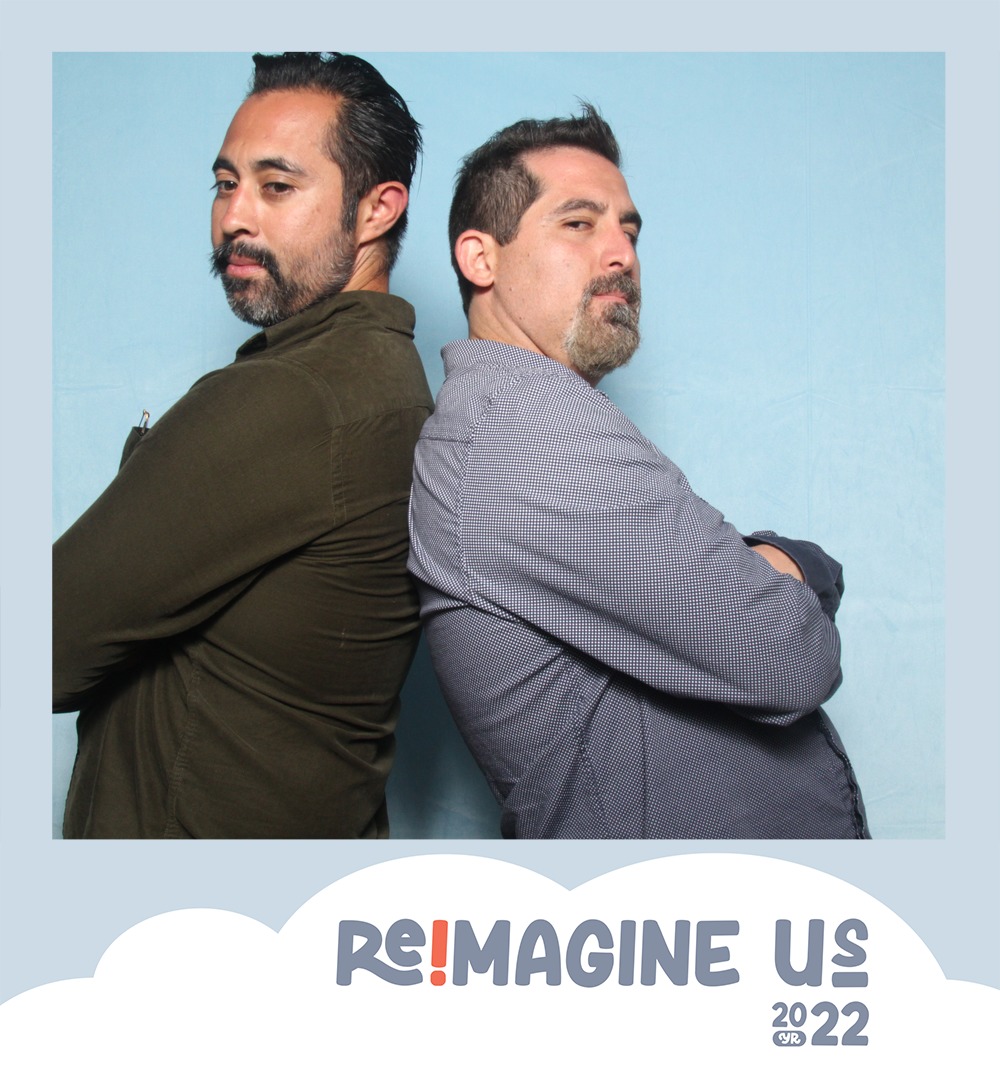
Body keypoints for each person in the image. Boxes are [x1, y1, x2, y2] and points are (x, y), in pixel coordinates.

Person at [408, 106, 869, 839]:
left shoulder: (536, 418)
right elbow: (790, 655)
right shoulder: (529, 431)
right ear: (480, 259)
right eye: (578, 223)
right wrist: (795, 563)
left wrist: (756, 570)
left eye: (629, 229)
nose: (621, 252)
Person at [53, 52, 433, 839]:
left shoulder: (299, 396)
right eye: (226, 184)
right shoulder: (387, 385)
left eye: (277, 186)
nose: (235, 217)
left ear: (377, 210)